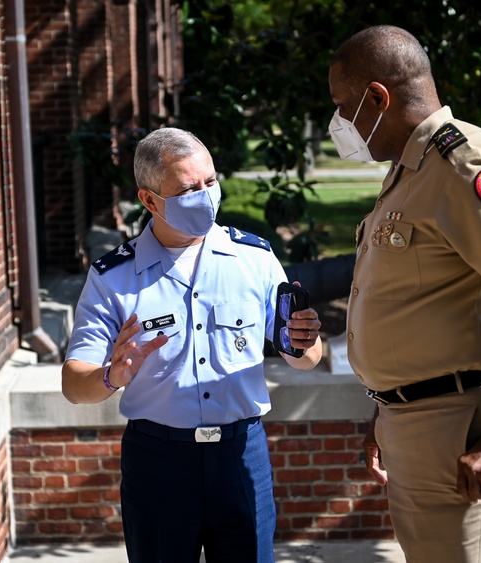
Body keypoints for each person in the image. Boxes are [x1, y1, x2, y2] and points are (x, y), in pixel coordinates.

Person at [329, 25, 481, 562]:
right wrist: (388, 409)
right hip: (425, 429)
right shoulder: (410, 170)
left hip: (470, 434)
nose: (340, 123)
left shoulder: (461, 164)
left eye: (344, 107)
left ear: (378, 98)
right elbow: (422, 304)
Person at [62, 127, 324, 563]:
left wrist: (302, 342)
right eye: (187, 189)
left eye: (210, 182)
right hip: (159, 463)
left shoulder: (254, 258)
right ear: (149, 200)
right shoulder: (113, 278)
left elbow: (306, 358)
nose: (205, 196)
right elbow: (75, 384)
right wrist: (112, 375)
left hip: (241, 454)